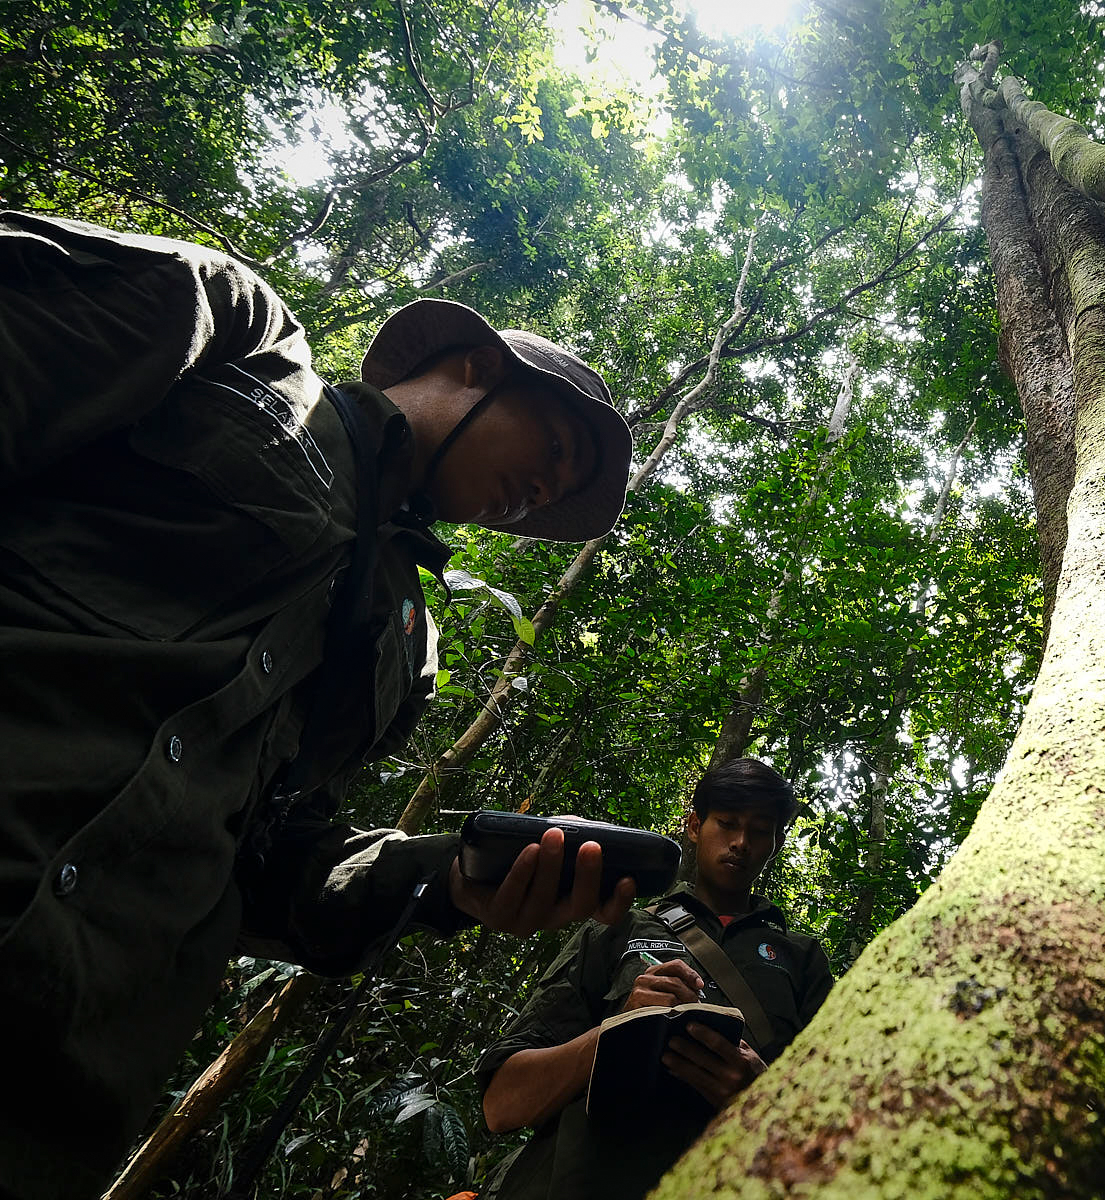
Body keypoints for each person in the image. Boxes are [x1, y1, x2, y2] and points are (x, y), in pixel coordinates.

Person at [0, 211, 639, 1200]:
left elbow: (262, 865)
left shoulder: (404, 655)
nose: (546, 485)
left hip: (51, 1089)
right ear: (470, 366)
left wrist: (449, 884)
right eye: (554, 442)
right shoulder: (236, 333)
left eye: (560, 488)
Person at [476, 757, 834, 1200]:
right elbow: (502, 1104)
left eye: (760, 831)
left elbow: (840, 1133)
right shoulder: (616, 927)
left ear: (774, 845)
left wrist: (763, 1098)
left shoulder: (802, 958)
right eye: (727, 822)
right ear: (694, 825)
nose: (741, 842)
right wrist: (620, 1026)